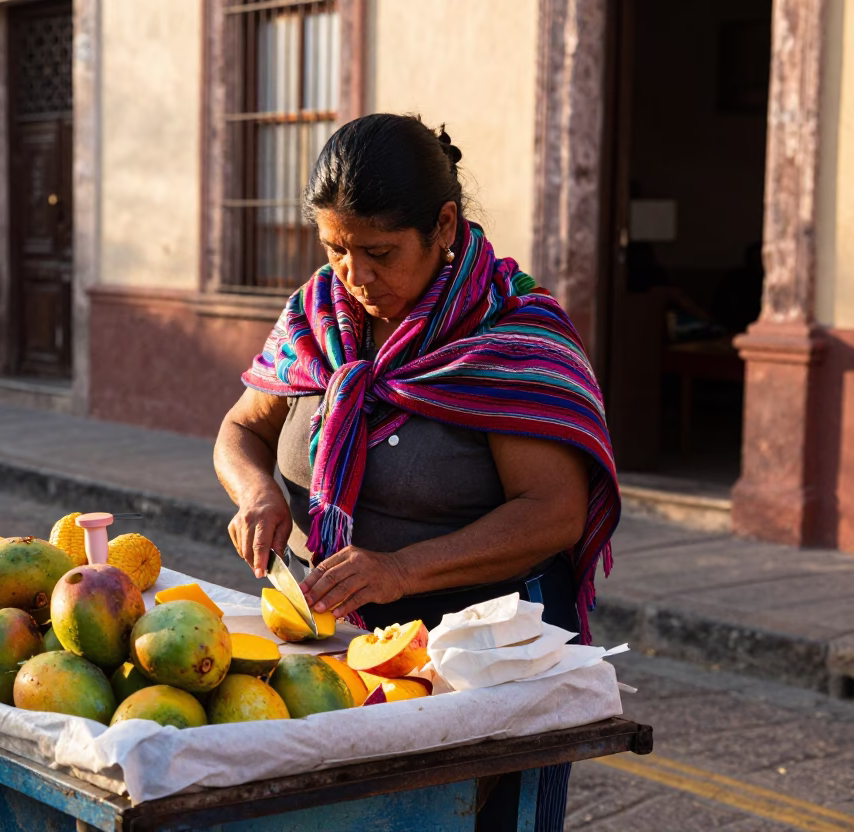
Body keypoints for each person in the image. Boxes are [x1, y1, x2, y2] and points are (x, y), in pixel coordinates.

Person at [212, 114, 620, 831]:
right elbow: (243, 427)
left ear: (444, 225)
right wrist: (257, 495)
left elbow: (553, 512)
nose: (355, 276)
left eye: (379, 252)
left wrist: (402, 569)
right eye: (335, 248)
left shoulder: (511, 335)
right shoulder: (318, 314)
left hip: (483, 665)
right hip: (337, 649)